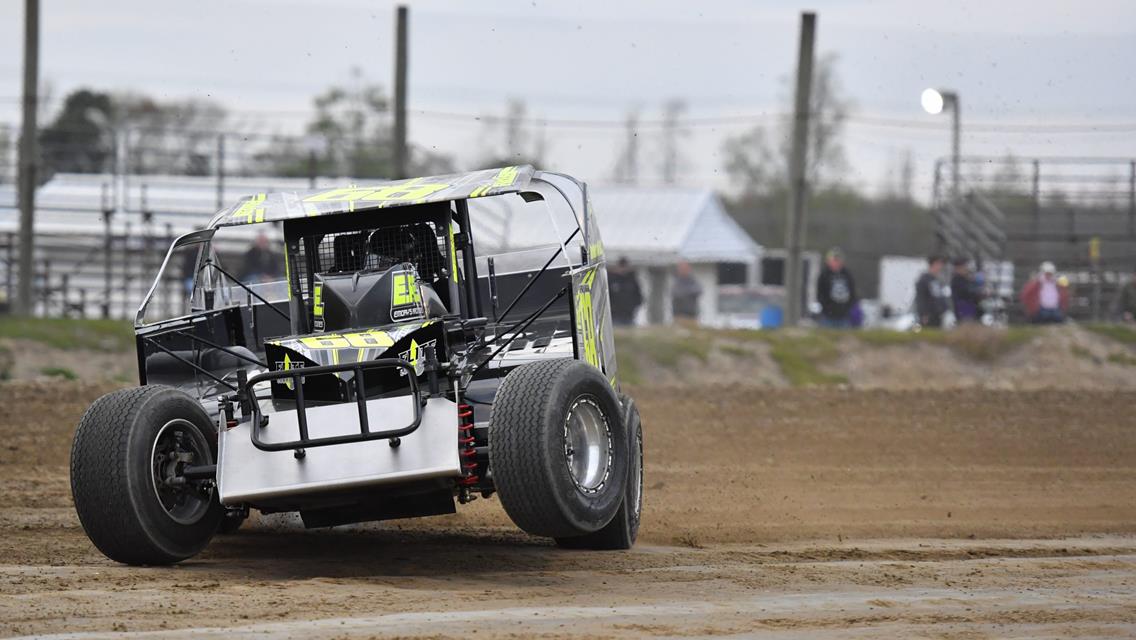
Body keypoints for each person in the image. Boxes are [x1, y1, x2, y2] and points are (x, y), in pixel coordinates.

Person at [815, 247, 857, 328]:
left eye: (838, 260)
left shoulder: (847, 275)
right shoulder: (824, 275)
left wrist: (847, 308)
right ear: (828, 261)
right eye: (834, 260)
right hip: (827, 316)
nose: (836, 263)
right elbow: (820, 294)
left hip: (844, 317)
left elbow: (853, 293)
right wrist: (827, 308)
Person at [914, 255, 950, 328]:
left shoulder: (937, 280)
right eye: (939, 263)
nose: (941, 266)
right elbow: (920, 298)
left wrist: (944, 309)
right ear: (933, 264)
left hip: (938, 316)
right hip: (928, 316)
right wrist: (923, 314)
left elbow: (939, 296)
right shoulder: (924, 280)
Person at [608, 257, 643, 326]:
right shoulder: (611, 280)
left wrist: (633, 307)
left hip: (629, 315)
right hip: (615, 315)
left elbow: (638, 296)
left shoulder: (632, 280)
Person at [950, 258, 982, 323]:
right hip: (964, 308)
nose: (966, 268)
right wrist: (979, 294)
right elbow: (967, 292)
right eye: (964, 266)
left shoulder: (965, 279)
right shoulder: (957, 280)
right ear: (958, 268)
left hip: (969, 307)